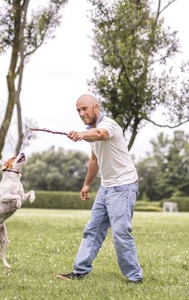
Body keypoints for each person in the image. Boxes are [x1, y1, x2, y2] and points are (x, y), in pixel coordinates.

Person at [56, 94, 143, 284]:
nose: (81, 113)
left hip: (124, 186)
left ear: (96, 107)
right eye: (78, 110)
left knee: (121, 232)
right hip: (106, 187)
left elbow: (100, 135)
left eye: (84, 109)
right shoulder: (90, 131)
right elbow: (95, 160)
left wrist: (81, 135)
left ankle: (135, 277)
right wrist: (87, 184)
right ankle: (80, 272)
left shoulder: (108, 125)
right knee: (92, 230)